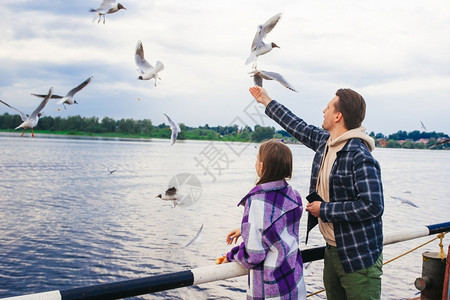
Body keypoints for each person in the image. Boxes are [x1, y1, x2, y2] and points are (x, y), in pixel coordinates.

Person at [249, 86, 384, 300]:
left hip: (359, 257)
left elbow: (373, 205)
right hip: (332, 250)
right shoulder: (325, 143)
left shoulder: (360, 156)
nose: (324, 111)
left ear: (338, 116)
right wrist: (266, 101)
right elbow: (297, 126)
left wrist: (325, 209)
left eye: (328, 107)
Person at [216, 139, 307, 300]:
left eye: (257, 159)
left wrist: (231, 255)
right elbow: (277, 227)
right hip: (294, 282)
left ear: (262, 166)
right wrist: (245, 229)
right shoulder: (294, 195)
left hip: (272, 290)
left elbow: (254, 254)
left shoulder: (257, 201)